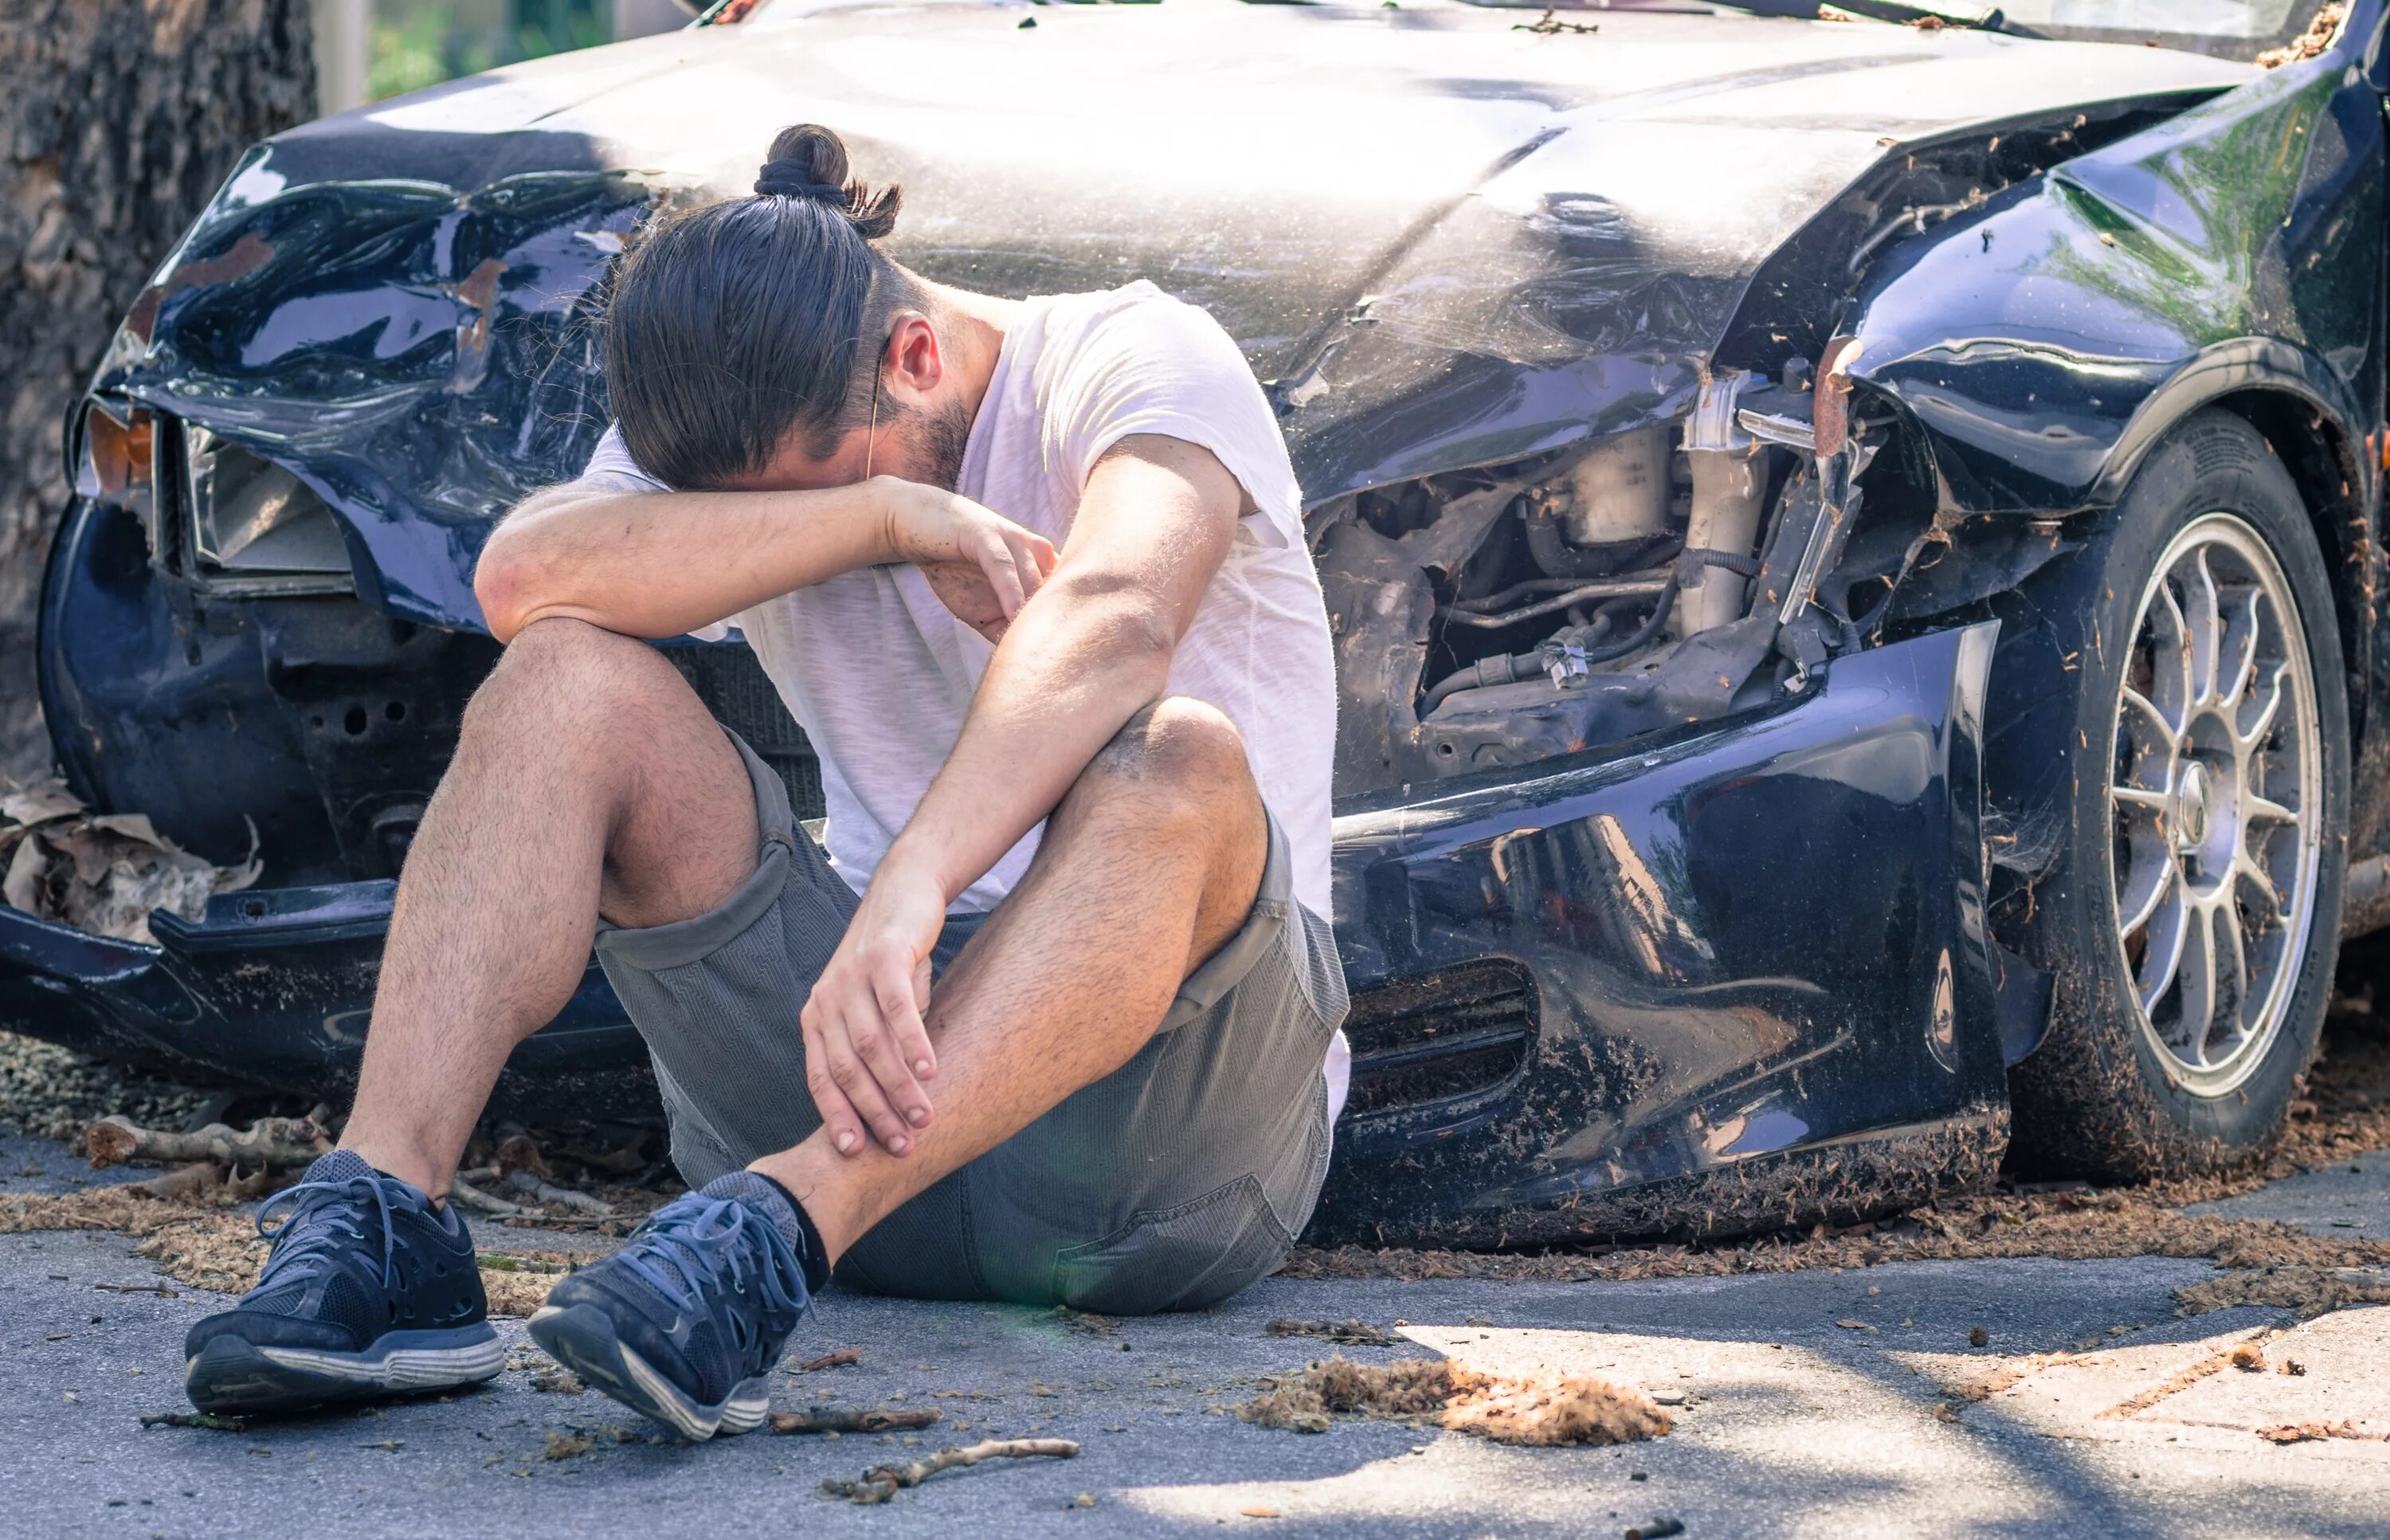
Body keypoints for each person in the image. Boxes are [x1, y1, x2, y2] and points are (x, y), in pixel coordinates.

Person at [179, 123, 1350, 1439]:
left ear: (917, 357)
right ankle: (390, 1218)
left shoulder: (1140, 356)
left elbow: (1119, 609)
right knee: (565, 672)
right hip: (854, 1070)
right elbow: (520, 579)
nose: (796, 534)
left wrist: (919, 878)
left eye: (824, 490)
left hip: (1160, 1159)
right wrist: (876, 513)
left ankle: (787, 1224)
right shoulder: (758, 425)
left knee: (1180, 754)